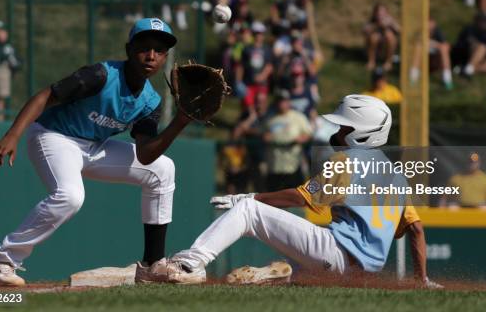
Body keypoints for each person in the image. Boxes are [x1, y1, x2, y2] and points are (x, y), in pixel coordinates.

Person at [141, 95, 442, 289]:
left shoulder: (347, 161)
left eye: (344, 128)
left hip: (336, 256)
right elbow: (416, 229)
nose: (337, 133)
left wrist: (250, 197)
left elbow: (302, 197)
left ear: (362, 134)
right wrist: (422, 280)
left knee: (247, 212)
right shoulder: (397, 177)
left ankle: (187, 264)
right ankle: (278, 274)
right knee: (297, 274)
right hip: (360, 277)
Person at [0, 18, 192, 286]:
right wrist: (13, 134)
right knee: (70, 196)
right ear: (129, 49)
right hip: (54, 136)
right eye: (144, 47)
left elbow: (146, 155)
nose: (151, 55)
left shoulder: (150, 101)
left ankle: (152, 265)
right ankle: (1, 260)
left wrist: (181, 120)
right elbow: (46, 95)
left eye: (159, 50)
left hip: (94, 146)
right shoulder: (101, 75)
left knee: (163, 169)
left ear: (165, 57)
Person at [261, 89, 312, 191]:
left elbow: (308, 134)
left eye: (284, 101)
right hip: (274, 166)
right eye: (279, 101)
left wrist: (301, 139)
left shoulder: (298, 117)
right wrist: (265, 137)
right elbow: (262, 134)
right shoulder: (269, 118)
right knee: (273, 201)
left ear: (288, 102)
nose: (281, 103)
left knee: (296, 199)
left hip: (293, 166)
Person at [235, 21, 273, 110]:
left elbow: (269, 66)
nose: (258, 36)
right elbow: (241, 66)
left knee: (261, 103)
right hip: (248, 83)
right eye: (256, 33)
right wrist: (238, 81)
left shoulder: (267, 49)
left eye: (260, 33)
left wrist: (262, 76)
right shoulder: (247, 49)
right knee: (247, 106)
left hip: (262, 84)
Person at [410, 18, 454, 90]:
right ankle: (413, 78)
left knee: (444, 50)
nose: (429, 25)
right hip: (423, 53)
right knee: (418, 47)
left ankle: (447, 80)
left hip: (435, 56)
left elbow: (445, 45)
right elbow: (416, 42)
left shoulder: (438, 32)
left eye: (430, 23)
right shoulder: (420, 32)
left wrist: (431, 44)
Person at [452, 12, 486, 77]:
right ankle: (468, 69)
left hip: (478, 60)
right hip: (463, 57)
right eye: (485, 20)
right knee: (482, 47)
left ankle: (465, 70)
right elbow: (463, 44)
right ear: (478, 20)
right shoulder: (469, 29)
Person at [363, 4, 400, 72]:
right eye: (378, 13)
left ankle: (388, 63)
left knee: (389, 35)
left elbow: (399, 31)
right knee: (374, 37)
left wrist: (392, 24)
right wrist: (377, 25)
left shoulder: (390, 21)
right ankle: (371, 62)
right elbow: (365, 31)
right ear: (375, 14)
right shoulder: (372, 22)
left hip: (385, 49)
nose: (380, 15)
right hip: (375, 50)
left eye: (383, 12)